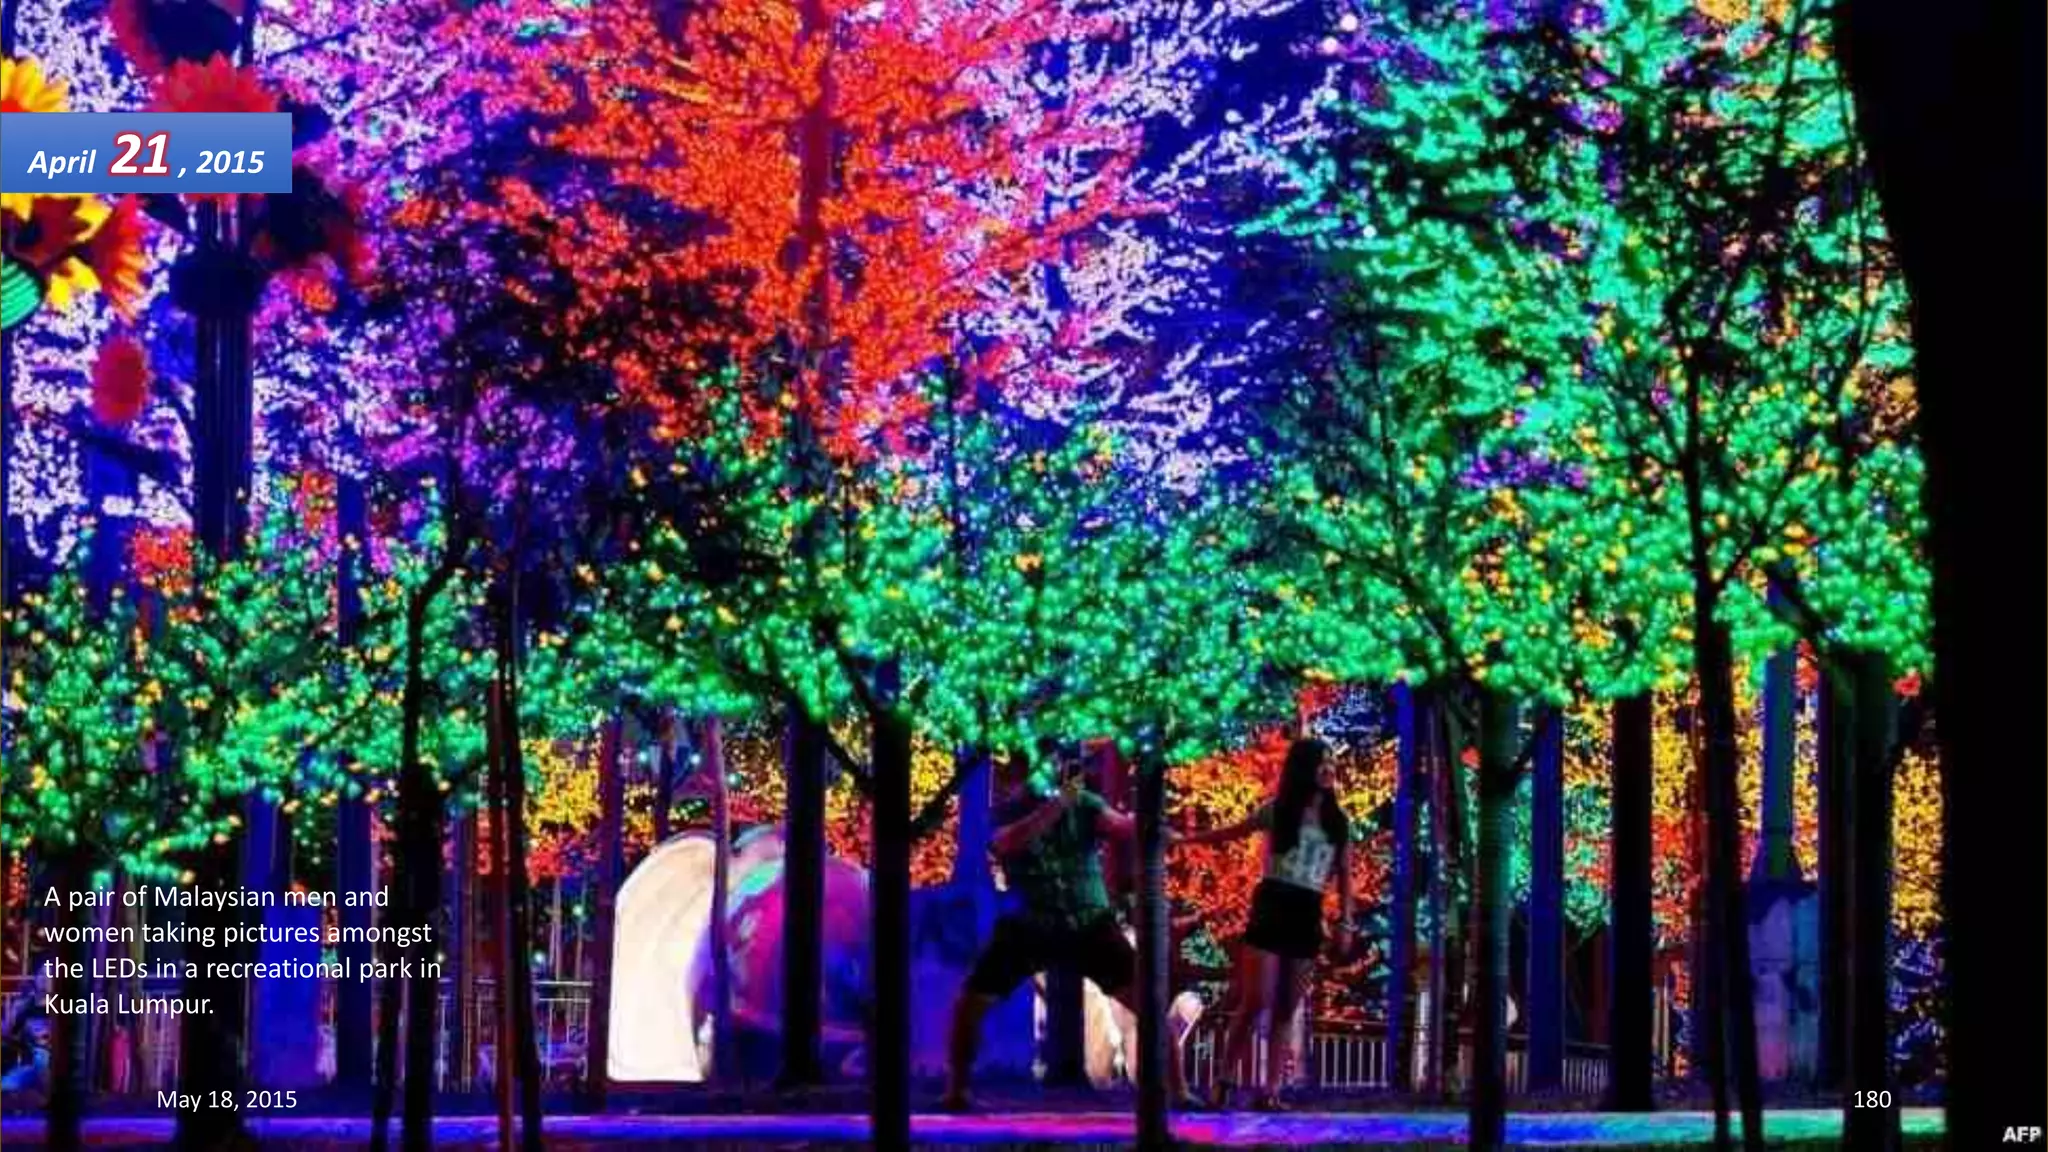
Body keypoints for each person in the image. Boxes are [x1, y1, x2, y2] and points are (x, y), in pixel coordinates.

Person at [941, 747, 1191, 1111]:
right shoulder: (1008, 810)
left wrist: (1150, 828)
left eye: (1055, 763)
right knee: (970, 1003)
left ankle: (1179, 1092)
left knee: (1150, 1000)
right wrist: (1057, 806)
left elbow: (1119, 826)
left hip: (1088, 919)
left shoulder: (1085, 803)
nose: (1051, 771)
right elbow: (1005, 843)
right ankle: (957, 1090)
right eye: (1040, 765)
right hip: (1031, 922)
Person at [1176, 737, 1353, 1110]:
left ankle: (1270, 1091)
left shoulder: (1339, 822)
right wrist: (1184, 840)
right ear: (1304, 768)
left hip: (1308, 909)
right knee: (1256, 999)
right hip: (1273, 903)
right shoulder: (1280, 810)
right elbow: (1233, 831)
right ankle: (1223, 1082)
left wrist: (1345, 924)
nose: (1329, 770)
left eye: (1332, 764)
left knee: (1287, 1006)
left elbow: (1346, 876)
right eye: (1322, 763)